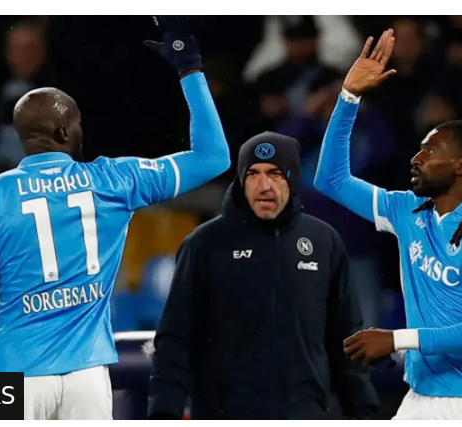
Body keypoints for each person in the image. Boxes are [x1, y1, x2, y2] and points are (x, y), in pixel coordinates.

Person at [0, 16, 231, 421]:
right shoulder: (114, 180)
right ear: (63, 133)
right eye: (77, 124)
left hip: (15, 371)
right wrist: (190, 71)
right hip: (87, 377)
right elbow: (214, 157)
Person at [313, 30, 462, 420]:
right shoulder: (408, 210)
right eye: (419, 149)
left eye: (430, 151)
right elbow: (331, 180)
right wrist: (348, 98)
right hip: (420, 397)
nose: (416, 158)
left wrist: (398, 339)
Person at [148, 131, 379, 420]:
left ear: (292, 178)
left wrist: (362, 411)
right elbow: (175, 339)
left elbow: (345, 336)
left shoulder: (323, 241)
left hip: (305, 414)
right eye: (253, 174)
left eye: (275, 174)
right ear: (241, 180)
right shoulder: (204, 244)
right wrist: (164, 414)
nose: (264, 186)